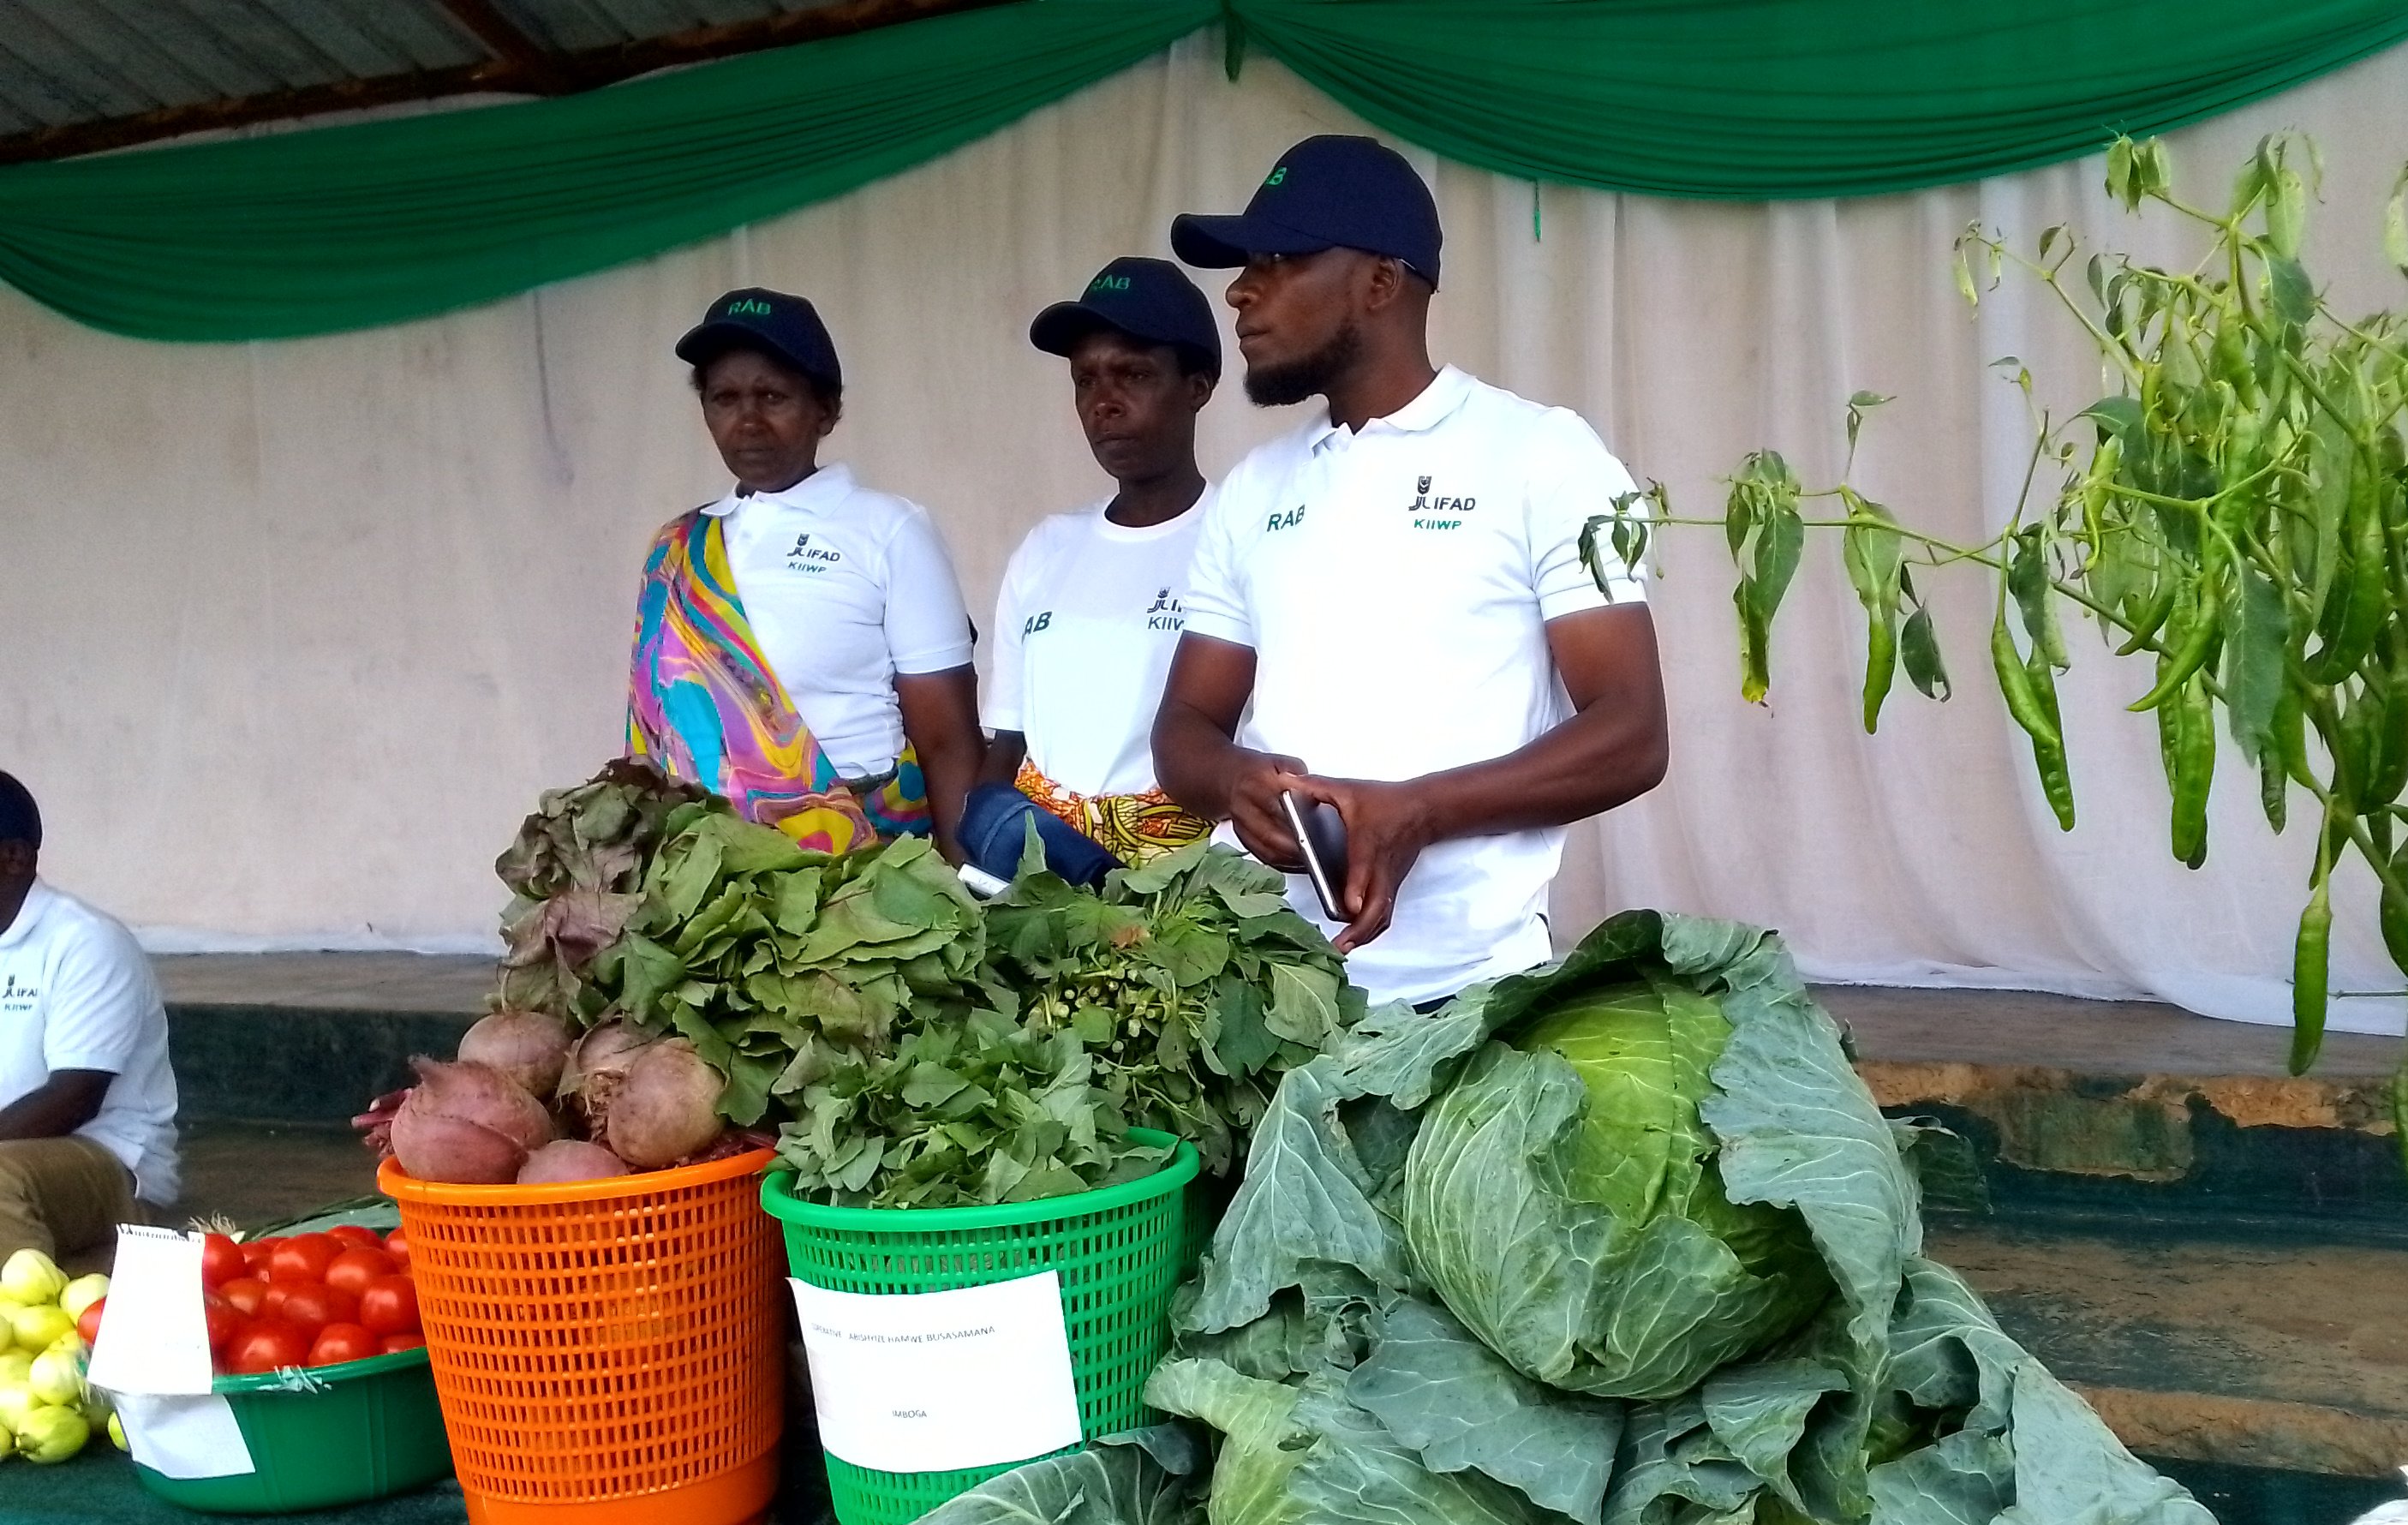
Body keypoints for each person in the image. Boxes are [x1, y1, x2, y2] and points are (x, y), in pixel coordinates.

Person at [1152, 135, 1670, 1005]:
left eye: (1276, 261)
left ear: (1380, 284)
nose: (1241, 291)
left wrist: (1421, 810)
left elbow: (1632, 731)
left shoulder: (1541, 455)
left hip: (1466, 994)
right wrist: (1235, 780)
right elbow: (1184, 726)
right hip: (1262, 990)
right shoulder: (1254, 489)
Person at [627, 288, 983, 858]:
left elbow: (947, 740)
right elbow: (653, 738)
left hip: (860, 866)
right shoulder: (675, 546)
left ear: (826, 409)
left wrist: (971, 887)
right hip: (698, 877)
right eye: (725, 398)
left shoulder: (888, 529)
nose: (748, 421)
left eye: (772, 396)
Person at [965, 259, 1227, 886]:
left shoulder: (1236, 535)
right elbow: (1008, 743)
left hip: (1189, 895)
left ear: (1197, 385)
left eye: (1133, 374)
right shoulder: (1046, 548)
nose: (1105, 402)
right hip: (1041, 890)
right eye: (1086, 381)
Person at [0, 774, 177, 1273]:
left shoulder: (85, 942)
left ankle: (28, 1330)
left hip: (107, 1159)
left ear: (14, 858)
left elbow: (74, 1097)